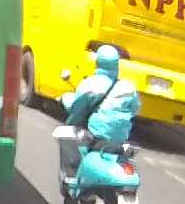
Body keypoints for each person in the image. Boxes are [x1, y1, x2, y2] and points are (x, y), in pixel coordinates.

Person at [60, 45, 141, 178]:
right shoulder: (128, 87)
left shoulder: (90, 84)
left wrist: (65, 100)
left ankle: (70, 178)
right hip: (120, 140)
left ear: (98, 62)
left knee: (65, 137)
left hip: (96, 138)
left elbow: (76, 110)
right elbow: (135, 109)